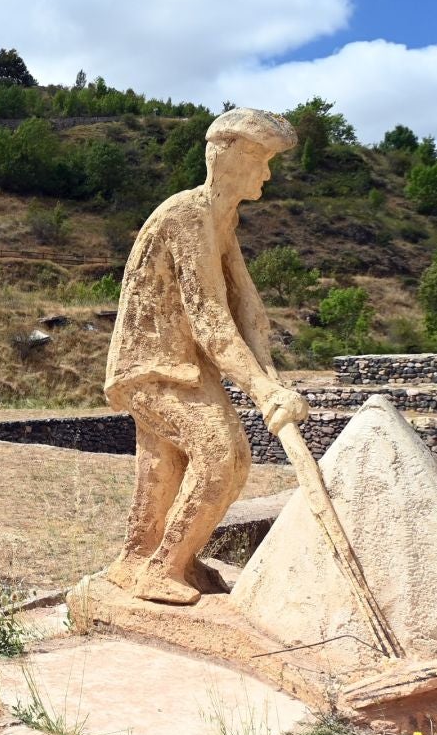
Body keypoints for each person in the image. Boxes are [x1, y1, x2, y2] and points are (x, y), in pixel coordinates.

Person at [102, 108, 309, 605]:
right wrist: (262, 390)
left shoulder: (223, 219)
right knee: (224, 457)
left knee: (163, 466)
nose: (267, 174)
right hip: (153, 365)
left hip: (183, 363)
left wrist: (272, 378)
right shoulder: (186, 215)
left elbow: (247, 310)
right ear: (229, 156)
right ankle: (163, 568)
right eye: (261, 160)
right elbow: (209, 318)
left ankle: (144, 559)